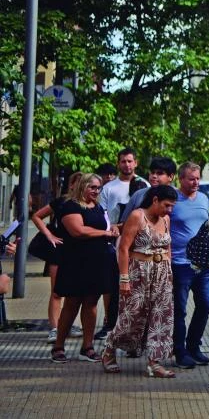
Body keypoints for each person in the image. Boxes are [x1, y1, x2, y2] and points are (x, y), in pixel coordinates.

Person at [101, 185, 177, 378]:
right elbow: (124, 248)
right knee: (131, 315)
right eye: (167, 205)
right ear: (155, 200)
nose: (169, 210)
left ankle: (155, 362)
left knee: (161, 318)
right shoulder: (137, 216)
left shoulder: (166, 219)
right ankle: (109, 350)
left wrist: (169, 273)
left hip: (161, 273)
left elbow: (168, 247)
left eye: (172, 206)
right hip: (139, 272)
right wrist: (124, 278)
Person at [50, 173, 120, 364]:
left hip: (98, 262)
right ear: (82, 187)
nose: (96, 191)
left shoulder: (97, 206)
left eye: (99, 188)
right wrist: (104, 233)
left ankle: (87, 346)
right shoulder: (70, 206)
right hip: (76, 262)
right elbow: (78, 231)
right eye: (92, 187)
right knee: (72, 304)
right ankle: (58, 346)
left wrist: (112, 229)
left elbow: (103, 225)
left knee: (91, 303)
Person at [96, 148, 147, 340]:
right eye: (123, 161)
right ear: (118, 163)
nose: (127, 164)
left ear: (136, 163)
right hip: (114, 242)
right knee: (112, 285)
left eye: (130, 161)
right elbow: (104, 215)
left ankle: (135, 326)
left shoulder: (144, 185)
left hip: (139, 244)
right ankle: (109, 322)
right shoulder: (109, 188)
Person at [30, 171, 84, 343]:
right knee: (56, 291)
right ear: (71, 185)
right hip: (59, 249)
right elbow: (37, 216)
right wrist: (48, 235)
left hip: (77, 251)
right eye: (78, 183)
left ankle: (68, 324)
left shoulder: (89, 204)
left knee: (74, 291)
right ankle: (54, 327)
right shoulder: (61, 201)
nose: (81, 187)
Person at [169, 161, 209, 369]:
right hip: (180, 263)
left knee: (205, 304)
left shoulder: (204, 198)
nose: (196, 182)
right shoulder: (173, 199)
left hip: (203, 264)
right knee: (180, 309)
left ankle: (194, 346)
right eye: (191, 178)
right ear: (181, 179)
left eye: (198, 178)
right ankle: (180, 351)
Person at [119, 157, 177, 226]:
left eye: (159, 173)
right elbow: (124, 223)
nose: (154, 176)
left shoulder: (178, 197)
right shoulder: (138, 195)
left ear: (171, 177)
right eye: (152, 172)